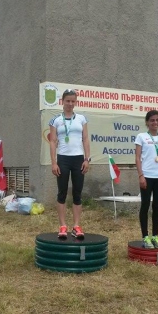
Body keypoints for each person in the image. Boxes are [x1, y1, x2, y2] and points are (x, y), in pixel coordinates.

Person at [49, 89, 91, 240]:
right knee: (62, 192)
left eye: (73, 101)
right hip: (63, 159)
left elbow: (85, 139)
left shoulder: (81, 119)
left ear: (76, 102)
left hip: (78, 159)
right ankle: (62, 226)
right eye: (68, 101)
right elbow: (53, 141)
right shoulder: (56, 120)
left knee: (77, 193)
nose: (70, 104)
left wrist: (87, 159)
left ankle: (76, 226)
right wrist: (54, 162)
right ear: (62, 101)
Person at [135, 110, 158, 249]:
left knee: (157, 207)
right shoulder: (141, 137)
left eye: (157, 120)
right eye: (152, 120)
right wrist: (141, 175)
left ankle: (155, 236)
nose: (155, 123)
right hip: (147, 176)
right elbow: (137, 158)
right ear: (147, 122)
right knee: (145, 205)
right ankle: (145, 236)